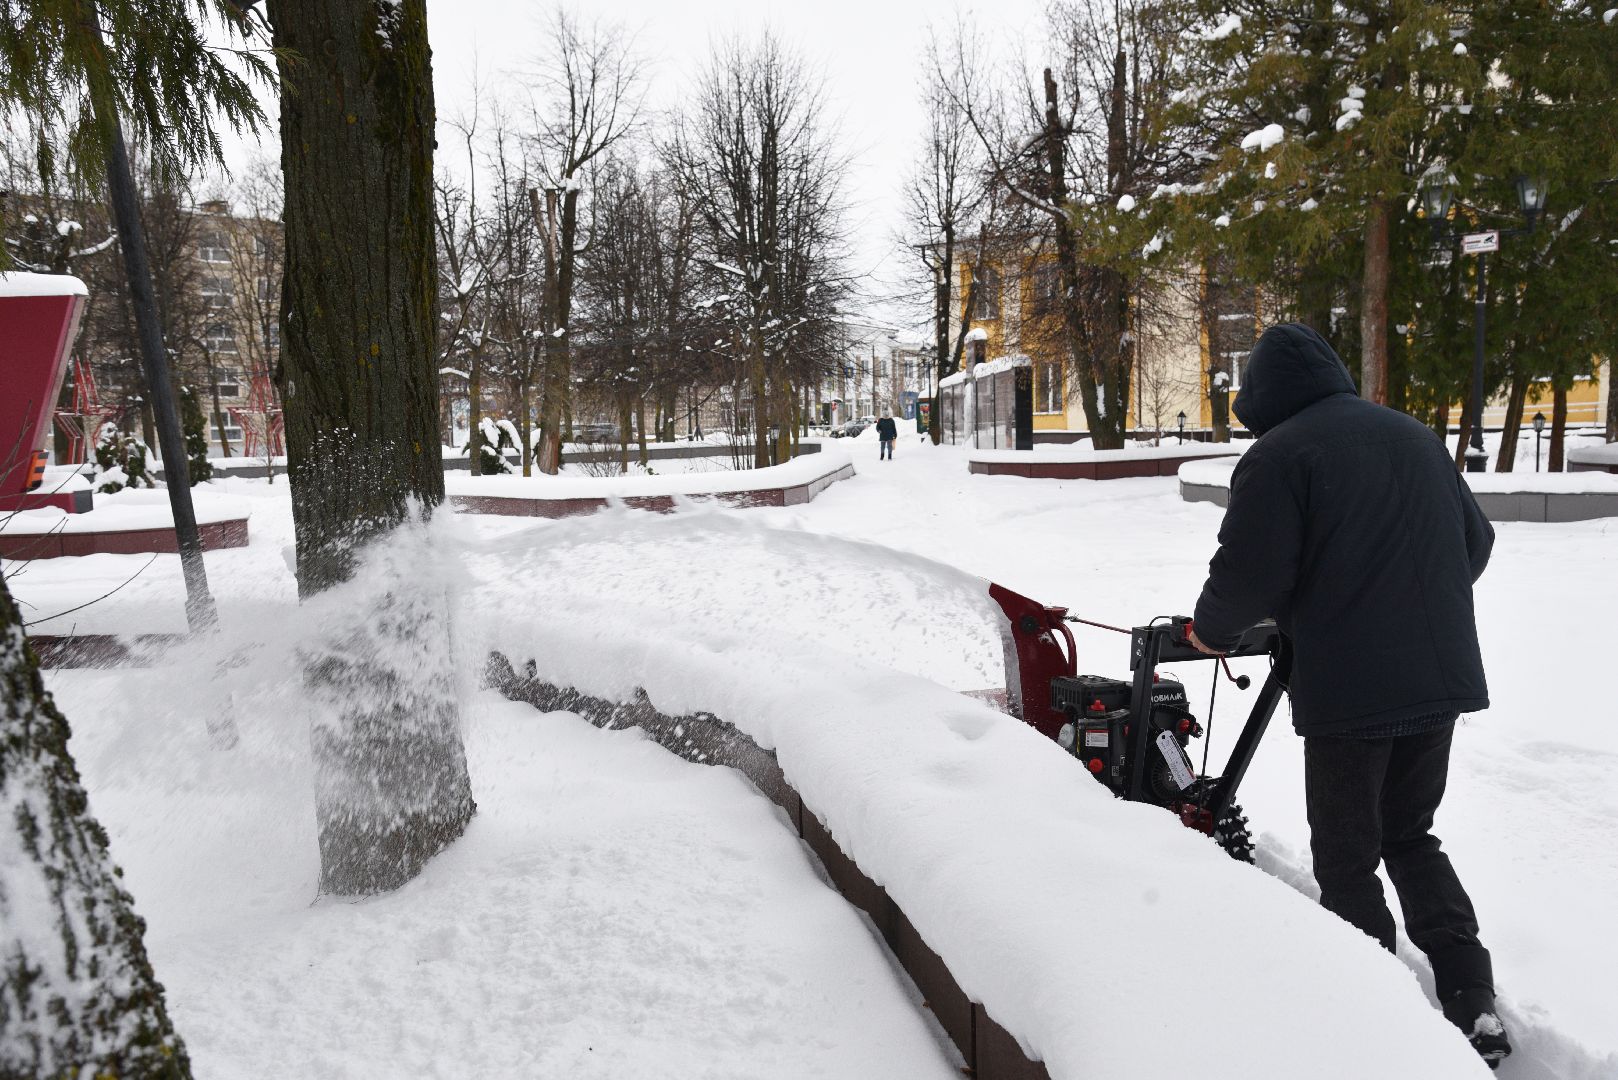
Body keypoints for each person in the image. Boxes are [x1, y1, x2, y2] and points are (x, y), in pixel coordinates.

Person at [1187, 323, 1509, 1069]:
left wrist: (1211, 631)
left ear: (1261, 401)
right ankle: (1471, 994)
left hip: (1353, 692)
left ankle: (1381, 1020)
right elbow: (1477, 545)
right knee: (1410, 834)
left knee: (1347, 853)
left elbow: (1250, 571)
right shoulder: (1413, 436)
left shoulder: (1281, 454)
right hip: (1439, 677)